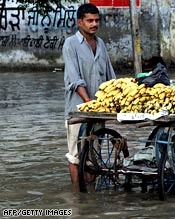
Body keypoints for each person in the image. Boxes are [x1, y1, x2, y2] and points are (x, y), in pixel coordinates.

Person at [62, 3, 116, 185]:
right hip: (77, 109)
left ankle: (90, 196)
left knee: (93, 155)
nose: (94, 24)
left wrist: (113, 101)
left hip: (99, 111)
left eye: (96, 20)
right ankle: (77, 196)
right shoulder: (70, 44)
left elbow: (110, 77)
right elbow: (74, 79)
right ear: (80, 22)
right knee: (75, 155)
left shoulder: (100, 44)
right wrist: (88, 103)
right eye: (90, 20)